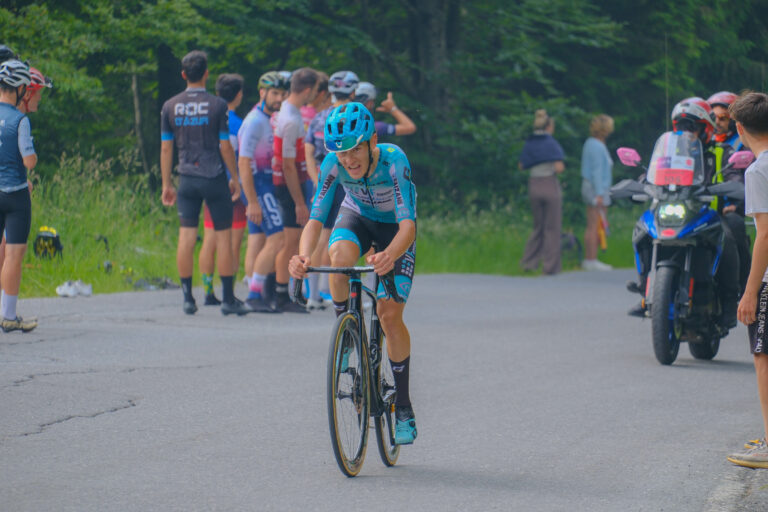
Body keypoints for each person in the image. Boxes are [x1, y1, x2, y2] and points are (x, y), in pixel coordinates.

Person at [289, 102, 418, 444]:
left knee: (388, 316)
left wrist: (389, 255)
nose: (349, 160)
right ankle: (346, 328)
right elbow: (316, 219)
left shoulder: (394, 161)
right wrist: (302, 256)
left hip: (394, 231)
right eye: (341, 152)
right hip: (357, 217)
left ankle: (403, 406)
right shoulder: (333, 164)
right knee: (339, 256)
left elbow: (409, 226)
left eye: (356, 149)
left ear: (373, 141)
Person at [627, 97, 740, 327]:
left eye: (694, 127)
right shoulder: (671, 154)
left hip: (708, 214)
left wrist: (734, 191)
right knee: (642, 229)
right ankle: (644, 290)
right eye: (683, 127)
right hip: (675, 211)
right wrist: (641, 183)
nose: (689, 132)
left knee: (729, 233)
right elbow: (652, 173)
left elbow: (735, 176)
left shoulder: (722, 152)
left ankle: (730, 302)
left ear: (705, 129)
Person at [160, 50, 249, 316]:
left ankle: (188, 298)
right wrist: (234, 177)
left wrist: (167, 183)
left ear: (184, 75)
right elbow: (225, 146)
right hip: (214, 177)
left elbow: (166, 149)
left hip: (186, 177)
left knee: (186, 237)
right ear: (207, 74)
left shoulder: (170, 105)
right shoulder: (217, 105)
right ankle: (228, 299)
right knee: (223, 238)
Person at [726, 92, 768, 468]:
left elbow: (765, 234)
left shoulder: (758, 170)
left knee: (763, 355)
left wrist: (751, 291)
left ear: (740, 129)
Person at [304, 70, 359, 310]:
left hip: (323, 180)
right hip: (349, 183)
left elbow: (307, 149)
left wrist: (315, 177)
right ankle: (338, 293)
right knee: (345, 237)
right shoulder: (354, 117)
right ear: (354, 92)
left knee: (321, 234)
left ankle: (314, 293)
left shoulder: (319, 117)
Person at [238, 71, 288, 313]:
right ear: (262, 93)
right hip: (258, 184)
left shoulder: (269, 118)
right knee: (277, 237)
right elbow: (243, 163)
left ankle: (256, 292)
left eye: (282, 93)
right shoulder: (255, 121)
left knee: (257, 240)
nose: (279, 98)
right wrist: (252, 202)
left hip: (265, 182)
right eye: (275, 93)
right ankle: (254, 294)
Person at [272, 67, 319, 313]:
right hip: (289, 185)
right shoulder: (290, 119)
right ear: (308, 90)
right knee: (290, 242)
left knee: (292, 240)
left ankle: (282, 291)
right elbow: (287, 165)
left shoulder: (290, 112)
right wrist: (300, 201)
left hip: (291, 183)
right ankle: (282, 294)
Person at [198, 73, 247, 305]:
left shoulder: (208, 118)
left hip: (209, 182)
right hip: (233, 187)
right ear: (239, 95)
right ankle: (230, 292)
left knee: (210, 240)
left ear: (217, 93)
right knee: (232, 243)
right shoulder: (239, 124)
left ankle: (208, 292)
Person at [0, 60, 37, 332]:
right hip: (15, 196)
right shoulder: (20, 120)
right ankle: (8, 316)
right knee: (13, 254)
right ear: (22, 89)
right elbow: (29, 161)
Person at [519, 109, 565, 275]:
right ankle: (550, 267)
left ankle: (528, 262)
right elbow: (559, 167)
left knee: (538, 226)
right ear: (548, 127)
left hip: (534, 186)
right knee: (552, 228)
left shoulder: (529, 142)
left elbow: (522, 165)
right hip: (549, 186)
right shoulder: (551, 143)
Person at [581, 114, 615, 271]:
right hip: (597, 189)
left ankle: (590, 258)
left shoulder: (590, 143)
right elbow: (597, 170)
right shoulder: (596, 146)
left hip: (592, 187)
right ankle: (591, 259)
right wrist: (600, 194)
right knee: (595, 224)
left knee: (592, 223)